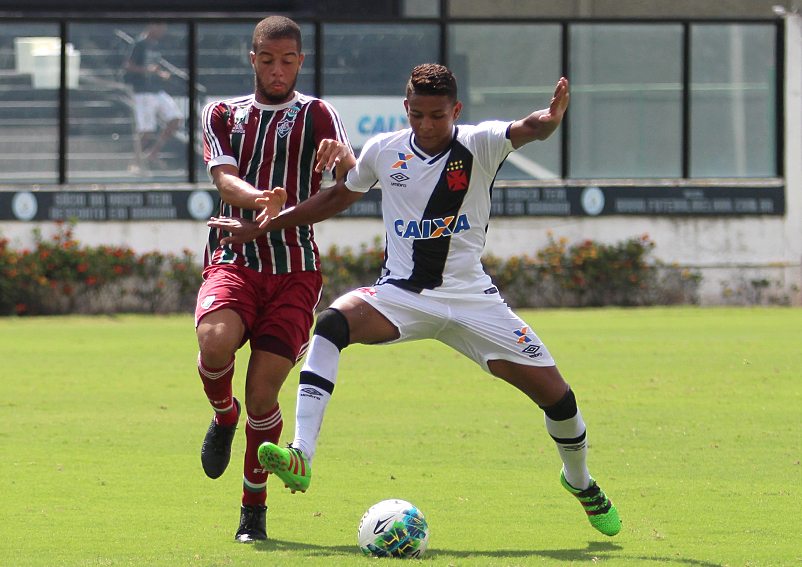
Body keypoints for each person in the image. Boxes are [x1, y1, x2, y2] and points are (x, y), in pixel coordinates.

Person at [209, 63, 622, 537]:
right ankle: (301, 453)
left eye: (437, 116)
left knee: (559, 400)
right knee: (332, 324)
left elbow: (530, 128)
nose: (426, 125)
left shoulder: (481, 143)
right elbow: (336, 197)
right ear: (406, 108)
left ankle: (580, 481)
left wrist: (550, 119)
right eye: (417, 115)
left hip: (472, 300)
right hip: (401, 296)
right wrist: (265, 225)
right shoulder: (384, 150)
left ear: (456, 111)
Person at [194, 15, 354, 543]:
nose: (277, 70)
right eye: (267, 60)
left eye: (287, 61)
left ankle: (253, 512)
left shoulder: (318, 114)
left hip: (294, 272)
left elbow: (348, 177)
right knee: (214, 343)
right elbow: (224, 179)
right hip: (235, 258)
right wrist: (259, 198)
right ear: (253, 60)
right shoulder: (223, 113)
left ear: (300, 62)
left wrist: (343, 157)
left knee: (263, 397)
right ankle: (223, 416)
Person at [123, 23, 184, 171]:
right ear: (152, 26)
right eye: (161, 27)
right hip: (143, 92)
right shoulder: (138, 44)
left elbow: (154, 66)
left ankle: (153, 153)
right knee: (146, 131)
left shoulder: (155, 45)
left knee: (175, 119)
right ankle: (135, 163)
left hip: (157, 90)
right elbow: (128, 66)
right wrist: (147, 70)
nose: (163, 31)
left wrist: (161, 74)